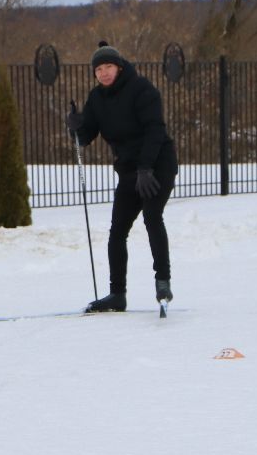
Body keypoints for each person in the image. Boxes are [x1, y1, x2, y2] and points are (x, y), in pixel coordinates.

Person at [67, 41, 178, 311]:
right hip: (129, 170)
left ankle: (162, 282)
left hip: (157, 165)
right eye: (99, 69)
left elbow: (155, 130)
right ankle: (117, 294)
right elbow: (87, 136)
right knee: (117, 232)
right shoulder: (96, 99)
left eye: (108, 67)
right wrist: (76, 128)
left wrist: (146, 168)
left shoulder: (142, 90)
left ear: (119, 67)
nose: (104, 73)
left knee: (152, 217)